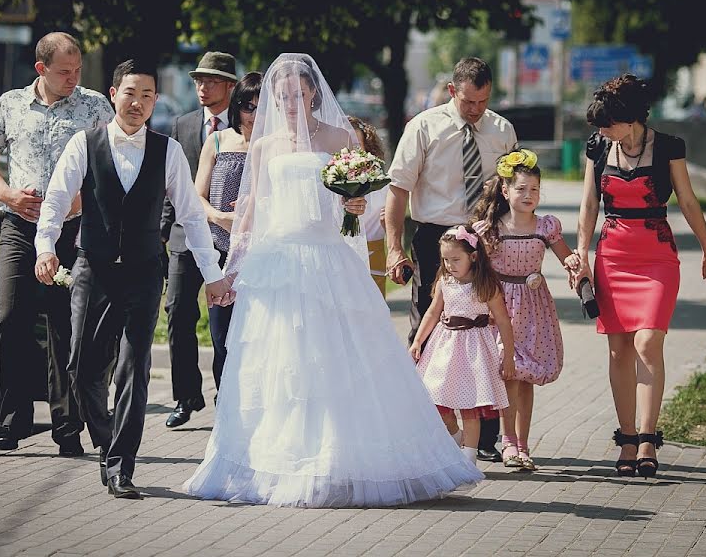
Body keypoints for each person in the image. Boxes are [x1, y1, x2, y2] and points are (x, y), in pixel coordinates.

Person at [184, 53, 482, 507]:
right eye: (280, 95)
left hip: (327, 256)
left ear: (313, 94)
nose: (288, 102)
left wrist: (354, 206)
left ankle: (341, 457)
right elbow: (251, 211)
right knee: (282, 361)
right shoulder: (263, 145)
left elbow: (355, 200)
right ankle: (280, 460)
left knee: (335, 356)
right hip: (278, 259)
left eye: (297, 94)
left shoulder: (339, 136)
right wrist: (231, 270)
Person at [34, 59, 234, 499]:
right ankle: (108, 443)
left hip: (145, 272)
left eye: (147, 95)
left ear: (155, 101)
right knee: (81, 367)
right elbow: (55, 200)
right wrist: (45, 247)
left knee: (133, 368)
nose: (138, 103)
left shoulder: (169, 151)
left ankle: (123, 464)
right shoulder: (84, 145)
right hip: (94, 270)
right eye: (130, 93)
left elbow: (192, 218)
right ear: (112, 95)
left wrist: (213, 275)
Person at [0, 32, 114, 454]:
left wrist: (81, 198)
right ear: (41, 69)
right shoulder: (10, 105)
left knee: (64, 326)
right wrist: (5, 194)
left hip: (74, 231)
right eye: (64, 72)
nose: (73, 79)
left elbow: (114, 165)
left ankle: (67, 427)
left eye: (77, 71)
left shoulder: (95, 107)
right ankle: (11, 421)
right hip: (20, 227)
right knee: (9, 317)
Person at [577, 74, 706, 478]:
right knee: (618, 349)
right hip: (612, 256)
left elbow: (688, 201)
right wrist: (581, 255)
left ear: (630, 118)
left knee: (647, 342)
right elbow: (589, 205)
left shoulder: (670, 147)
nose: (602, 131)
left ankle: (646, 438)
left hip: (656, 256)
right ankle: (626, 439)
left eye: (608, 124)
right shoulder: (598, 147)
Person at [385, 57, 518, 463]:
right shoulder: (423, 127)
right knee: (431, 322)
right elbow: (398, 190)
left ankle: (487, 436)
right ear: (451, 92)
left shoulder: (501, 130)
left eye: (483, 101)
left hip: (485, 239)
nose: (476, 110)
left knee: (487, 329)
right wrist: (394, 246)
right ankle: (429, 425)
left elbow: (511, 187)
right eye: (468, 102)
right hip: (436, 240)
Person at [472, 149, 581, 471]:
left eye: (534, 189)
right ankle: (507, 443)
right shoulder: (488, 229)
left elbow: (566, 256)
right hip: (500, 308)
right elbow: (473, 268)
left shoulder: (545, 226)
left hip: (534, 307)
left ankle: (523, 444)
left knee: (527, 377)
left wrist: (574, 263)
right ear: (505, 191)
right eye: (521, 189)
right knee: (509, 374)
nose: (528, 195)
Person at [162, 51, 238, 428]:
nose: (202, 87)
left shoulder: (244, 126)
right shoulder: (184, 124)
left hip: (226, 239)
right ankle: (186, 395)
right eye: (198, 80)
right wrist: (161, 234)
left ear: (230, 86)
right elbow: (171, 184)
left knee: (222, 319)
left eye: (211, 80)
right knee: (177, 312)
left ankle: (226, 393)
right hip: (184, 237)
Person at [410, 225, 515, 464]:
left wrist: (508, 356)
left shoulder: (486, 285)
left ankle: (469, 457)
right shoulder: (445, 281)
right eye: (446, 259)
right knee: (436, 401)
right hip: (444, 349)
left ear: (473, 256)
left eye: (456, 259)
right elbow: (432, 314)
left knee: (470, 407)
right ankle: (456, 437)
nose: (450, 265)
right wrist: (418, 341)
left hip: (474, 352)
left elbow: (503, 322)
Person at [193, 71, 262, 396]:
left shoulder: (278, 149)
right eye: (247, 106)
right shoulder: (218, 140)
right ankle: (225, 403)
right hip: (221, 251)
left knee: (256, 337)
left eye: (262, 107)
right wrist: (220, 217)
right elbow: (196, 196)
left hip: (261, 256)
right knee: (221, 338)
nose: (253, 114)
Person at [348, 115, 389, 297]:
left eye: (357, 144)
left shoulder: (382, 182)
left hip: (374, 254)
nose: (352, 150)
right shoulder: (328, 183)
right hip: (341, 257)